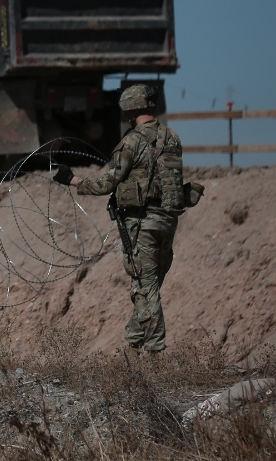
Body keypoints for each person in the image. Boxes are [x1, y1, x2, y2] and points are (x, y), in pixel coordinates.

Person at [53, 84, 185, 354]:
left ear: (128, 108)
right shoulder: (172, 137)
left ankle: (155, 353)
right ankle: (133, 342)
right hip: (168, 221)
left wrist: (72, 179)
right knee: (148, 285)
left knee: (145, 288)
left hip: (143, 223)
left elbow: (107, 183)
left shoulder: (132, 141)